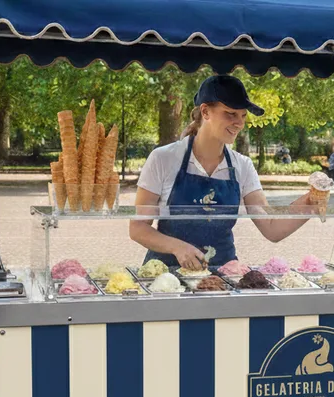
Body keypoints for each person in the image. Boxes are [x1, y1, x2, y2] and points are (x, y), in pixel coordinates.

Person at [130, 75, 316, 269]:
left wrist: (311, 203)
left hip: (223, 277)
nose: (239, 123)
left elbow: (271, 227)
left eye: (243, 116)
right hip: (167, 277)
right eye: (230, 114)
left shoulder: (242, 165)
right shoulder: (163, 159)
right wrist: (177, 247)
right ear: (205, 112)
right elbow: (138, 228)